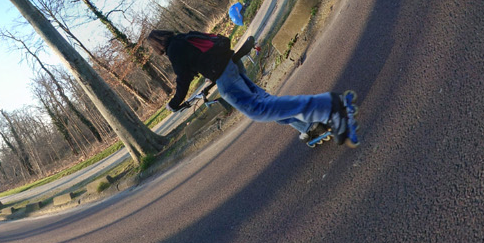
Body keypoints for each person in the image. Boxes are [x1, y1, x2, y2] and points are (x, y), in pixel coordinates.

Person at [147, 28, 357, 145]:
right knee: (267, 104)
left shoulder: (173, 50)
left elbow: (183, 78)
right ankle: (309, 127)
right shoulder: (184, 37)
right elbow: (206, 53)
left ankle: (328, 107)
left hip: (225, 77)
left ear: (157, 46)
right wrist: (210, 72)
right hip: (231, 66)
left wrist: (174, 103)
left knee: (260, 111)